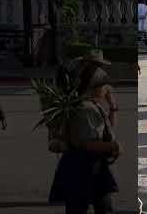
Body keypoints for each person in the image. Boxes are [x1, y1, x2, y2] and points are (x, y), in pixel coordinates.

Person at [49, 49, 122, 214]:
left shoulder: (93, 105)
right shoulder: (86, 109)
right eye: (105, 85)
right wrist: (113, 146)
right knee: (80, 208)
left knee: (102, 206)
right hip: (82, 167)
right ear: (95, 87)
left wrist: (112, 107)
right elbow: (87, 144)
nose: (108, 88)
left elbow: (107, 131)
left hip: (90, 167)